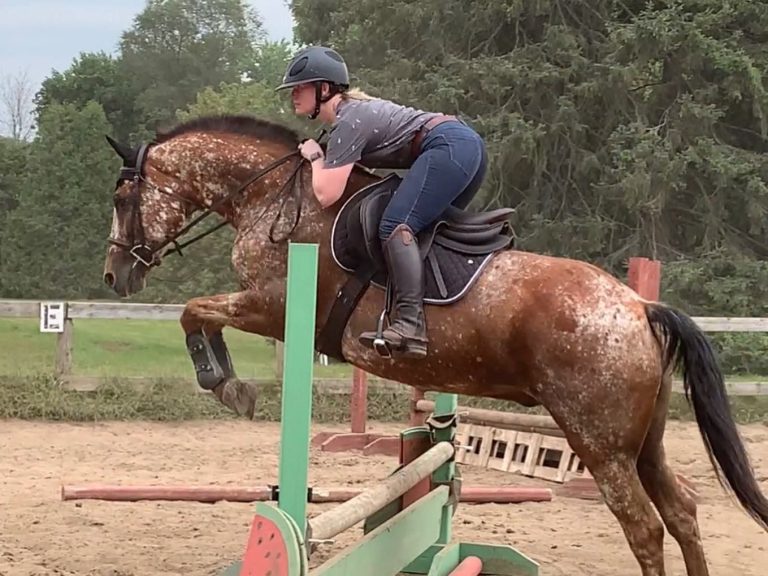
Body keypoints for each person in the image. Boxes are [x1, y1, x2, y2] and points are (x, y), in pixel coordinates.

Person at [276, 45, 488, 359]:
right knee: (422, 232)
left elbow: (326, 195)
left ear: (324, 89)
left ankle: (410, 325)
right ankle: (438, 315)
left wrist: (315, 156)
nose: (293, 94)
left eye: (300, 87)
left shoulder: (349, 121)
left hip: (450, 147)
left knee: (394, 226)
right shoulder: (353, 115)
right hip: (465, 147)